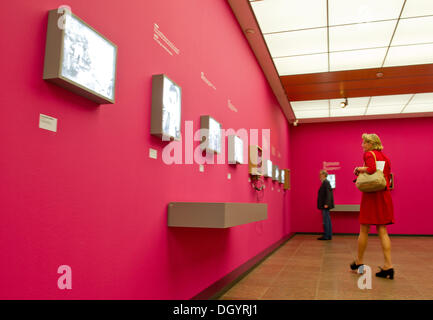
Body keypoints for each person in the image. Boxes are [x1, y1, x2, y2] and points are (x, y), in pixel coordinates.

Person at [351, 133, 395, 279]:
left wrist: (358, 169)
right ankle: (388, 265)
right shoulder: (386, 157)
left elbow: (370, 169)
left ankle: (359, 262)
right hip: (383, 195)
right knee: (382, 230)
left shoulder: (369, 154)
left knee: (364, 229)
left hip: (371, 197)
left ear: (371, 143)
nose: (362, 145)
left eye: (364, 142)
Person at [317, 170, 334, 240]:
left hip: (325, 205)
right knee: (327, 220)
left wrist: (327, 203)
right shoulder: (325, 182)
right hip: (325, 204)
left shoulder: (326, 182)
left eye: (320, 175)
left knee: (326, 220)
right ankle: (328, 235)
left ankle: (326, 236)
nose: (319, 176)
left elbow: (328, 194)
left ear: (324, 175)